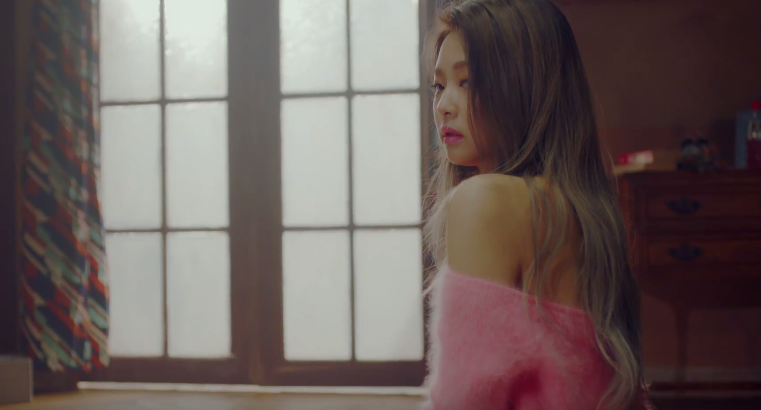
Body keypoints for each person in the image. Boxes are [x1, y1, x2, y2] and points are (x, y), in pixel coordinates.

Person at [421, 0, 652, 409]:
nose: (444, 105)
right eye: (439, 86)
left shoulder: (486, 202)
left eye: (468, 81)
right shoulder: (582, 209)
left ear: (524, 88)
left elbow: (467, 400)